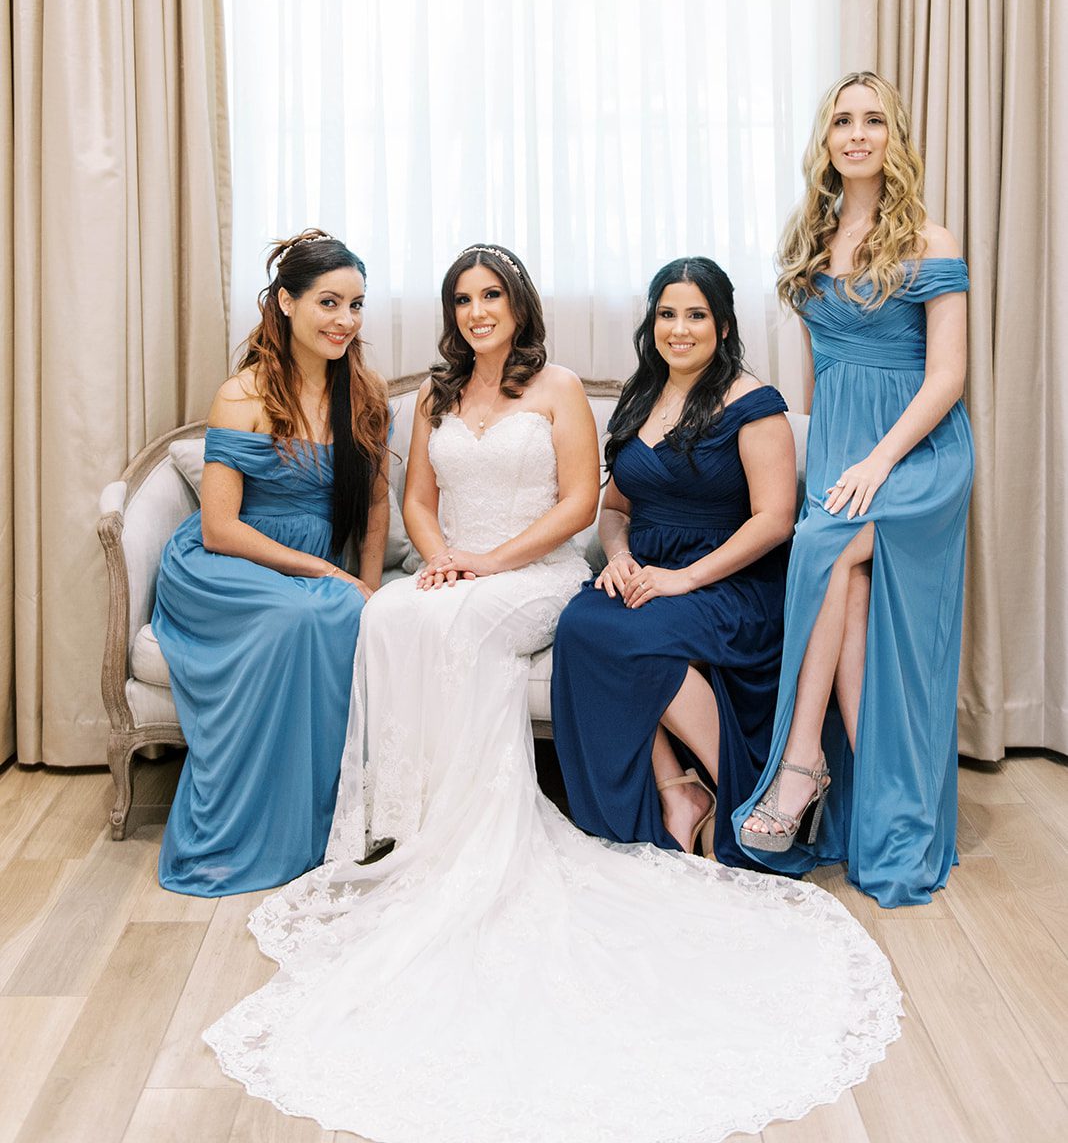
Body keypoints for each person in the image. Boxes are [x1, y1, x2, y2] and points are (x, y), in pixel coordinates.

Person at [204, 244, 902, 1142]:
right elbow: (425, 501)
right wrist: (443, 556)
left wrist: (497, 560)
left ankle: (726, 787)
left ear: (521, 303)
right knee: (387, 619)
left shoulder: (569, 387)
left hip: (545, 568)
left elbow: (581, 506)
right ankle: (403, 821)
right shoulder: (444, 398)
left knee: (488, 626)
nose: (475, 309)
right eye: (461, 298)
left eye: (491, 294)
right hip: (489, 565)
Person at [735, 73, 974, 908]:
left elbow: (947, 376)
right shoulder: (810, 239)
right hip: (841, 446)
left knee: (830, 552)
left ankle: (801, 763)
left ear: (894, 138)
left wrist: (878, 464)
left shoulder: (932, 243)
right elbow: (819, 374)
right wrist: (819, 459)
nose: (859, 133)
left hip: (920, 451)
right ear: (827, 139)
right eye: (844, 120)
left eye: (875, 120)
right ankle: (877, 806)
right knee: (850, 584)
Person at [153, 230, 390, 896]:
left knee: (339, 613)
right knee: (299, 614)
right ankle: (242, 827)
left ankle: (321, 825)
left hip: (307, 571)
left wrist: (368, 585)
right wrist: (328, 574)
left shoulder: (363, 394)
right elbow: (222, 528)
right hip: (224, 567)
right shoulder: (244, 395)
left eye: (357, 304)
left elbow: (375, 507)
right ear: (285, 302)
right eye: (329, 302)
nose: (345, 320)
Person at [551, 257, 794, 867]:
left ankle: (745, 792)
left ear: (724, 325)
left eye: (696, 315)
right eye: (667, 314)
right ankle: (675, 791)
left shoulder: (754, 403)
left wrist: (683, 578)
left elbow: (774, 518)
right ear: (651, 322)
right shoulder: (640, 399)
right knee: (584, 623)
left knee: (638, 636)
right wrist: (621, 559)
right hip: (651, 569)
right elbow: (615, 510)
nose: (679, 329)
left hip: (731, 580)